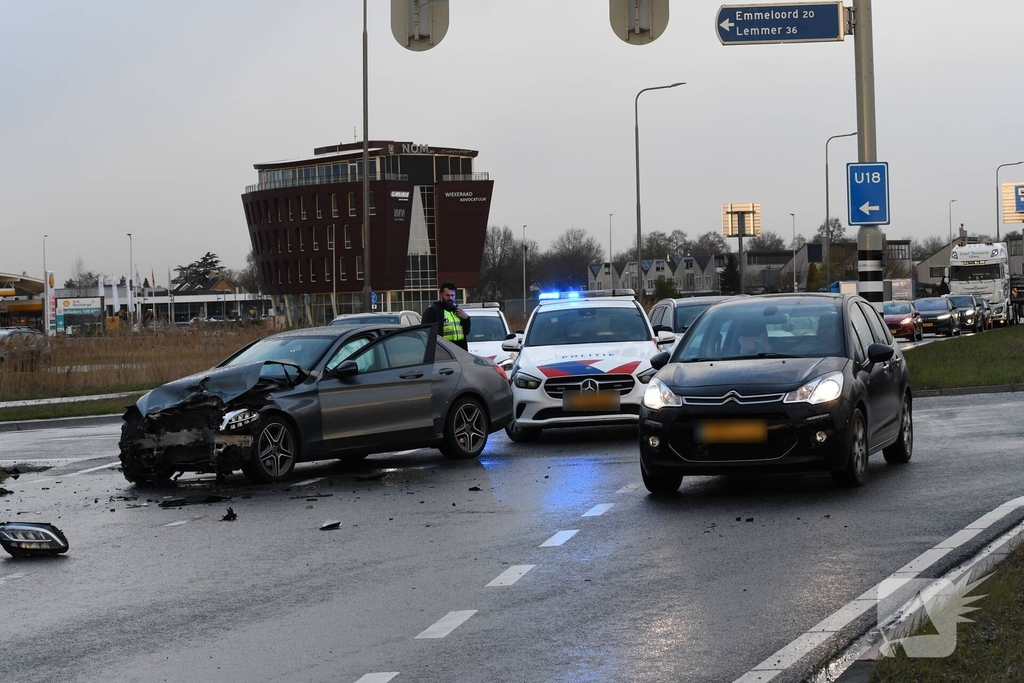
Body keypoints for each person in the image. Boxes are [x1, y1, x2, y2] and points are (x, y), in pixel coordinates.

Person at [421, 281, 471, 351]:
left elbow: (466, 332)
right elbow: (425, 332)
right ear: (441, 294)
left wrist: (466, 319)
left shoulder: (457, 310)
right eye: (447, 295)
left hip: (460, 349)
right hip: (443, 350)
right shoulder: (432, 311)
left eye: (452, 295)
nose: (450, 298)